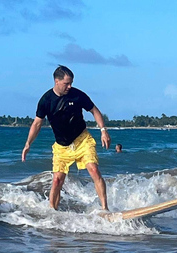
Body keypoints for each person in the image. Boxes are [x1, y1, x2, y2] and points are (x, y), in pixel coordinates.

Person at [22, 65, 111, 210]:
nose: (69, 86)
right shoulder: (46, 100)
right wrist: (28, 144)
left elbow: (94, 111)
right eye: (66, 83)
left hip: (82, 140)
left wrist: (103, 130)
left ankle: (105, 209)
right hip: (62, 146)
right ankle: (52, 212)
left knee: (93, 170)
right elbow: (37, 124)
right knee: (57, 180)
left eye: (71, 83)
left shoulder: (77, 95)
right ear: (56, 81)